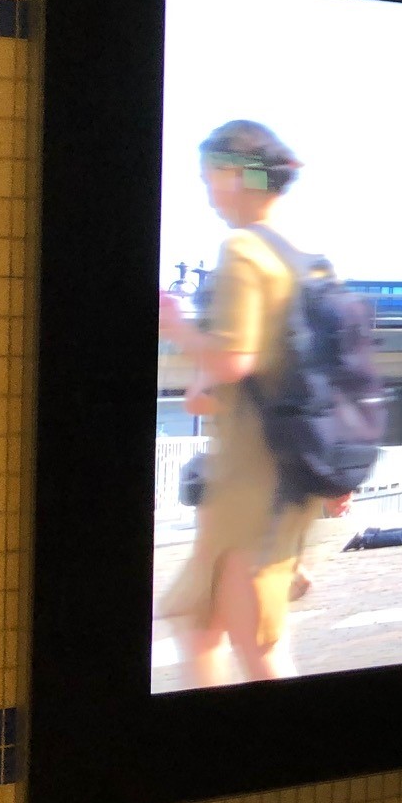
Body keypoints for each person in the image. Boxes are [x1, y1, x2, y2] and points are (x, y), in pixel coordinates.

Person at [156, 120, 327, 687]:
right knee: (197, 623)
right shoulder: (303, 263)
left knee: (255, 648)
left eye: (210, 177)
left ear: (238, 176)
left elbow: (231, 363)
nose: (207, 191)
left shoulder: (244, 251)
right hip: (266, 483)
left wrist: (176, 326)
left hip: (252, 490)